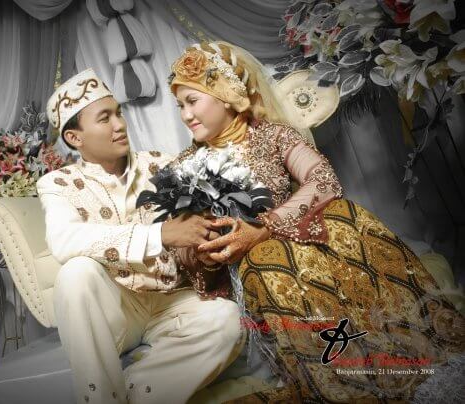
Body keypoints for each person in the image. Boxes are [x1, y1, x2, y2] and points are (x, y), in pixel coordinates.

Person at [166, 41, 465, 402]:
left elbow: (323, 181)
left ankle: (408, 346)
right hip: (257, 266)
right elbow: (184, 248)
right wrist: (206, 251)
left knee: (344, 215)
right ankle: (347, 380)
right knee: (267, 259)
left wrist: (265, 226)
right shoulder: (184, 168)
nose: (185, 115)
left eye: (192, 101)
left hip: (294, 235)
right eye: (180, 105)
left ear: (226, 96)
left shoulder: (272, 135)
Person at [36, 68, 245, 404]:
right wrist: (159, 234)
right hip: (117, 310)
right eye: (104, 118)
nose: (119, 125)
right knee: (75, 273)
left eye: (118, 113)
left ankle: (139, 393)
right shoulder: (57, 183)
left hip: (171, 300)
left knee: (228, 321)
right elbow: (63, 240)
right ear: (75, 138)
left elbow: (198, 224)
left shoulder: (163, 164)